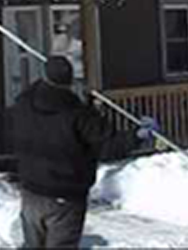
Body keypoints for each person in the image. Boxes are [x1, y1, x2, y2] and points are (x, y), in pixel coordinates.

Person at [12, 55, 157, 249]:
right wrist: (137, 135)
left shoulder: (24, 104)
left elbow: (31, 93)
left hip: (31, 193)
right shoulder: (79, 115)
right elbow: (109, 146)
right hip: (64, 198)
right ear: (70, 81)